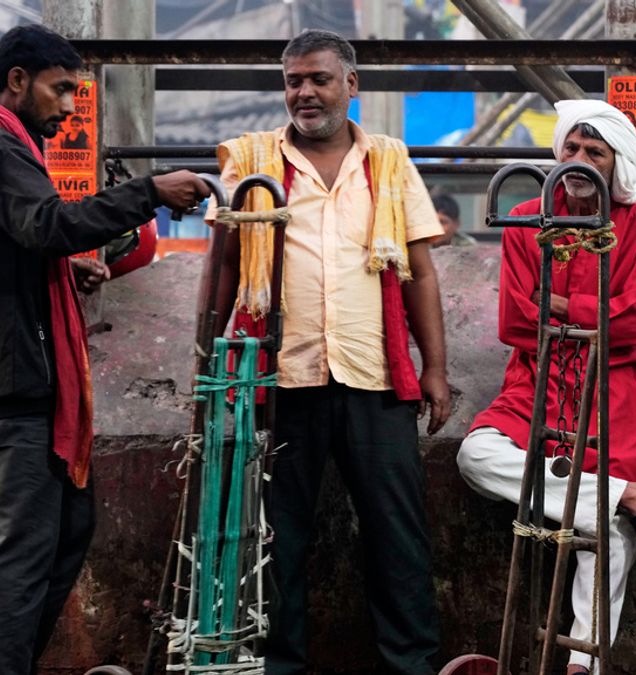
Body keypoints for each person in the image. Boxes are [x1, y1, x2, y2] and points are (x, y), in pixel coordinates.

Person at [0, 24, 208, 675]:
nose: (66, 106)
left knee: (66, 531)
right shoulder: (0, 147)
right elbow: (45, 224)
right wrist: (147, 193)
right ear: (19, 81)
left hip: (29, 374)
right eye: (59, 91)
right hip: (20, 379)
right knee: (27, 545)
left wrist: (53, 273)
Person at [205, 29, 451, 675]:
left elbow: (420, 273)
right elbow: (224, 266)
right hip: (281, 381)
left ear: (351, 84)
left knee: (399, 540)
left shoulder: (391, 163)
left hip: (375, 377)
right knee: (275, 542)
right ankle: (278, 666)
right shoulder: (253, 162)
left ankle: (411, 664)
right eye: (293, 81)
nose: (304, 93)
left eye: (317, 78)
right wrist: (205, 360)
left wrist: (437, 369)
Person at [457, 100, 636, 675]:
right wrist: (591, 312)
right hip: (536, 382)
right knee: (476, 455)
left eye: (593, 153)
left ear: (615, 166)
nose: (577, 161)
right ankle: (628, 495)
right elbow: (513, 323)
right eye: (571, 149)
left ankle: (582, 665)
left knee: (611, 537)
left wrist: (557, 306)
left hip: (616, 388)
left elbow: (631, 326)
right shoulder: (529, 216)